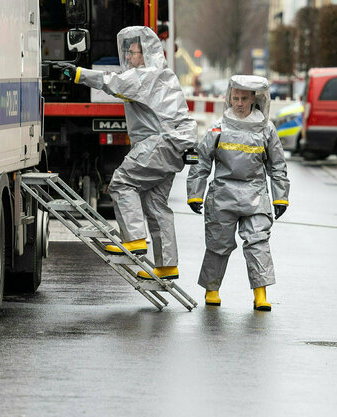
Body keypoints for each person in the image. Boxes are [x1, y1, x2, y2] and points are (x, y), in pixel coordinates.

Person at [60, 26, 197, 280]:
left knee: (122, 183)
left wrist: (78, 73)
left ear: (145, 54)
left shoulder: (144, 76)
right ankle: (167, 266)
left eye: (133, 52)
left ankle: (133, 240)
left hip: (157, 144)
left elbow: (112, 82)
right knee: (156, 206)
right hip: (172, 146)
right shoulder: (165, 75)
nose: (130, 57)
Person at [186, 75, 290, 311]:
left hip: (255, 195)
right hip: (223, 195)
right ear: (229, 97)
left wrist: (280, 196)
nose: (239, 103)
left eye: (244, 98)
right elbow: (202, 161)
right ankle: (212, 290)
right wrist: (195, 193)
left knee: (258, 242)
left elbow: (277, 165)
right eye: (235, 98)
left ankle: (260, 295)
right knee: (217, 244)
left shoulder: (266, 129)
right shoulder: (218, 127)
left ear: (254, 99)